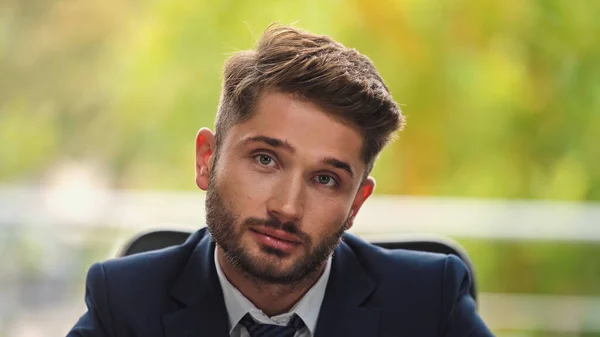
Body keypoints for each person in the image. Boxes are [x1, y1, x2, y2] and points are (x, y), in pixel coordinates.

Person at [67, 24, 494, 337]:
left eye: (325, 179)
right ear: (206, 159)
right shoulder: (123, 302)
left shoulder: (428, 302)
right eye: (266, 159)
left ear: (357, 204)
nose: (287, 208)